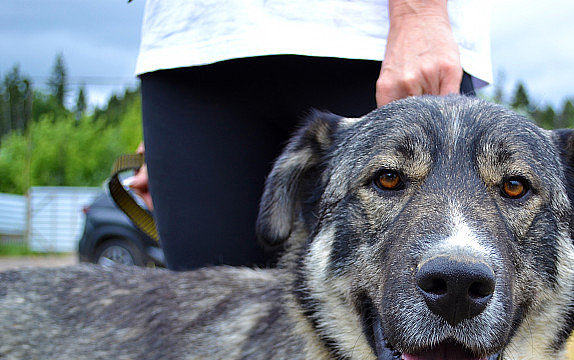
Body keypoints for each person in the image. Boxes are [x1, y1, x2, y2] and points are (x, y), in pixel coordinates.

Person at [136, 0, 492, 270]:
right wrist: (163, 147)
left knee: (431, 305)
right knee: (205, 331)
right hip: (191, 48)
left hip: (369, 40)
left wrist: (418, 13)